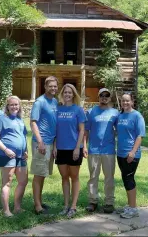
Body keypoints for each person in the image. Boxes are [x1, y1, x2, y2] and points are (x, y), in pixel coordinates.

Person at [53, 84, 86, 218]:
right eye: (65, 92)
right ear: (62, 94)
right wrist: (55, 146)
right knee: (64, 177)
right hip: (60, 148)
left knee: (74, 177)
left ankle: (73, 206)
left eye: (70, 92)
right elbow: (55, 129)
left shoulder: (78, 110)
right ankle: (66, 206)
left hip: (74, 149)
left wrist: (78, 148)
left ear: (74, 95)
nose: (67, 94)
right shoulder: (58, 109)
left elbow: (82, 130)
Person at [0, 95, 28, 217]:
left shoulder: (20, 120)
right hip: (6, 155)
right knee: (7, 182)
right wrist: (6, 149)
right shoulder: (2, 119)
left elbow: (23, 136)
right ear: (7, 106)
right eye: (11, 104)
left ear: (19, 106)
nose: (14, 107)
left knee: (23, 181)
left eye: (16, 104)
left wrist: (26, 150)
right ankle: (6, 211)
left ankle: (17, 207)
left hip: (21, 156)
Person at [84, 88, 119, 214]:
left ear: (110, 98)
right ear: (98, 97)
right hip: (93, 149)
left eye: (107, 95)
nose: (104, 97)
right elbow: (86, 131)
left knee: (109, 178)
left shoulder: (115, 113)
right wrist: (84, 146)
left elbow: (119, 130)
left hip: (109, 150)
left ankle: (109, 202)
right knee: (93, 177)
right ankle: (93, 201)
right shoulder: (91, 112)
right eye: (101, 95)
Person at [30, 76, 58, 215]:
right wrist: (40, 142)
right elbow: (33, 122)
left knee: (43, 174)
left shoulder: (55, 101)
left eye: (55, 86)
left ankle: (39, 201)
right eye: (50, 86)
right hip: (40, 143)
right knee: (38, 175)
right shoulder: (39, 102)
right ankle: (37, 207)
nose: (53, 88)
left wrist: (54, 145)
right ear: (45, 87)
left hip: (50, 143)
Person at [116, 92, 145, 219]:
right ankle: (130, 205)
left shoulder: (137, 116)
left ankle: (133, 209)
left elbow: (140, 136)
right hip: (121, 153)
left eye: (127, 101)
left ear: (132, 102)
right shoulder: (120, 115)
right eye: (123, 101)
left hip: (131, 154)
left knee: (129, 179)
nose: (125, 103)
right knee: (125, 179)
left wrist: (133, 152)